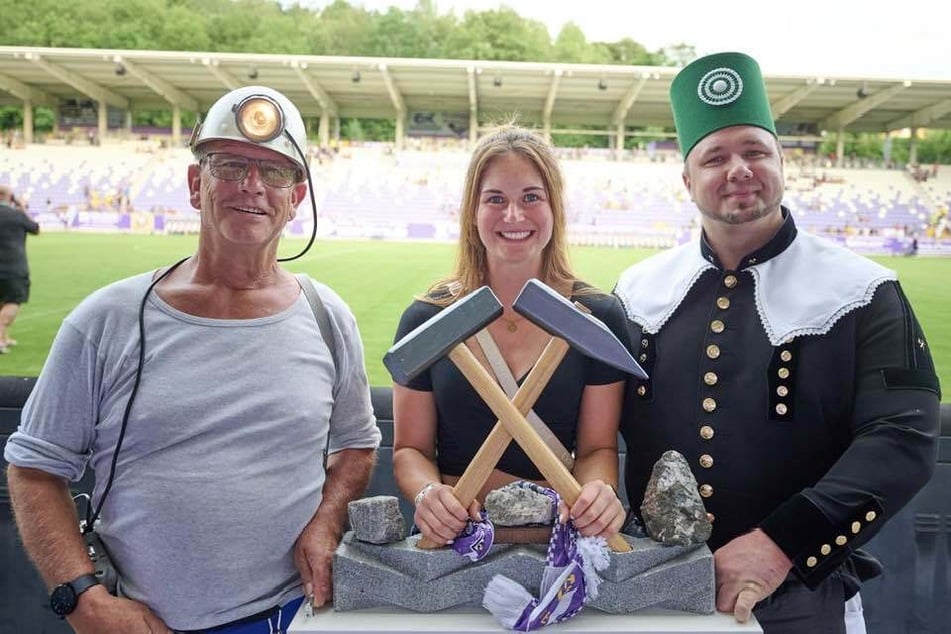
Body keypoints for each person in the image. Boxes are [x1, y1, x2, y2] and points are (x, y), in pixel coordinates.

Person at [4, 86, 381, 634]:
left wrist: (328, 519)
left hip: (295, 616)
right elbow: (35, 470)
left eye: (274, 173)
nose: (252, 185)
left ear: (296, 197)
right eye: (230, 165)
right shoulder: (106, 319)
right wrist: (84, 599)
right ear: (193, 184)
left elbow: (357, 444)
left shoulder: (327, 317)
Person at [614, 52, 940, 633]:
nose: (738, 168)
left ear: (783, 165)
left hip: (798, 594)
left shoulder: (864, 289)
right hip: (653, 583)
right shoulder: (638, 291)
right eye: (715, 157)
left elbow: (901, 438)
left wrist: (779, 544)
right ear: (688, 181)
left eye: (755, 151)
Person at [391, 125, 627, 547]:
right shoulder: (426, 319)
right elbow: (410, 449)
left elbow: (596, 450)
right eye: (495, 199)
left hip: (561, 544)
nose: (513, 216)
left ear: (554, 207)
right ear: (473, 212)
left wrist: (599, 493)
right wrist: (429, 496)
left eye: (531, 198)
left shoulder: (597, 316)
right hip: (455, 539)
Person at [0, 184, 40, 353]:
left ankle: (4, 337)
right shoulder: (16, 215)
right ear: (10, 197)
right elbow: (35, 229)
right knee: (13, 301)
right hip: (13, 267)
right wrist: (22, 208)